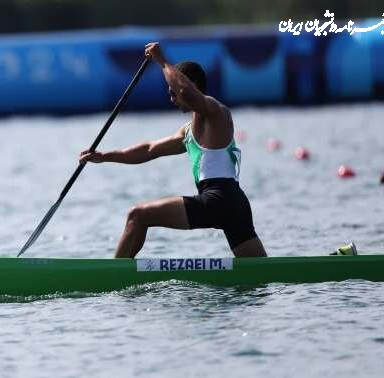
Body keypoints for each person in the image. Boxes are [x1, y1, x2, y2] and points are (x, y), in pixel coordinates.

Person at [80, 42, 267, 258]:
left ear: (193, 85)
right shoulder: (188, 131)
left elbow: (185, 91)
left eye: (172, 93)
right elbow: (149, 150)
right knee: (262, 273)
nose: (172, 99)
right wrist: (103, 157)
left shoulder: (215, 111)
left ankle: (111, 277)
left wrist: (161, 60)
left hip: (219, 198)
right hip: (233, 204)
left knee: (138, 215)